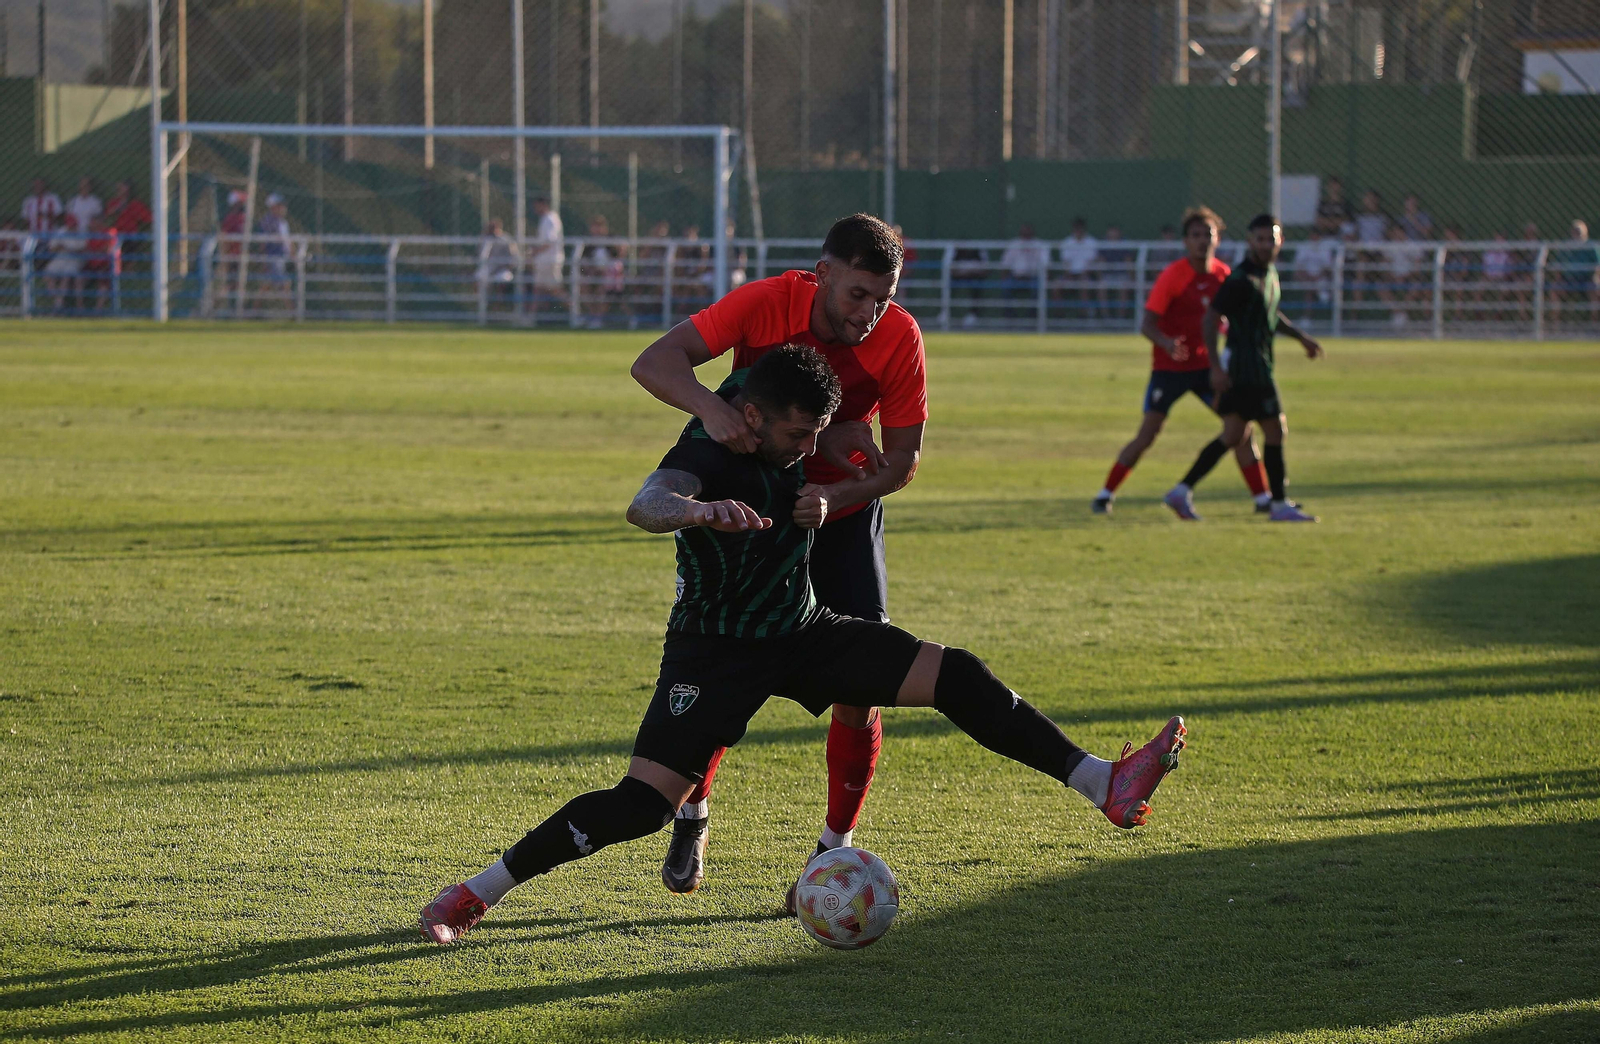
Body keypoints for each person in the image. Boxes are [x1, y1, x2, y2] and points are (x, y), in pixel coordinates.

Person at [418, 344, 1190, 945]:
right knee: (641, 807)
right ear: (752, 417)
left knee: (955, 674)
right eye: (797, 435)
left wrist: (832, 494)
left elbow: (831, 455)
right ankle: (473, 894)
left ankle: (1101, 780)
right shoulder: (711, 448)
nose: (805, 447)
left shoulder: (783, 422)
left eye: (815, 433)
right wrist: (697, 512)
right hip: (714, 652)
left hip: (802, 630)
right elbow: (646, 503)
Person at [630, 214, 925, 904]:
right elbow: (654, 362)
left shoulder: (899, 336)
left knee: (861, 685)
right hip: (753, 507)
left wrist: (836, 495)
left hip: (840, 517)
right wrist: (712, 409)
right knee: (726, 668)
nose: (869, 313)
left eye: (882, 299)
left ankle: (832, 851)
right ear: (822, 275)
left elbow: (903, 462)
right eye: (857, 295)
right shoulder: (766, 302)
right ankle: (692, 815)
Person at [1093, 207, 1271, 516]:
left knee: (1240, 427)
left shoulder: (1224, 275)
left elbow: (1233, 316)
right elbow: (1147, 324)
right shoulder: (1173, 276)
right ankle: (1104, 494)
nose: (1202, 241)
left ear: (1218, 239)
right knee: (1148, 434)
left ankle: (1263, 498)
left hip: (1207, 368)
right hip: (1169, 369)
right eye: (1195, 235)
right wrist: (1165, 342)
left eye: (1208, 235)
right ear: (1185, 241)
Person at [1165, 214, 1323, 523]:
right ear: (1250, 241)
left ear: (1280, 241)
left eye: (1271, 239)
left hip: (1256, 366)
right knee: (1274, 430)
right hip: (1249, 370)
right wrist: (1215, 367)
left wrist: (1301, 337)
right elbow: (1210, 319)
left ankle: (1181, 491)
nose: (1265, 245)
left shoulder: (1269, 273)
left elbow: (1271, 315)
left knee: (1233, 434)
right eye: (1260, 239)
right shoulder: (1240, 279)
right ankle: (1279, 504)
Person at [1549, 219, 1598, 330]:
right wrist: (1558, 279)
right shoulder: (1566, 246)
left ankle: (1594, 324)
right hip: (1568, 280)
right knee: (1554, 289)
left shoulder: (1591, 246)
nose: (1577, 234)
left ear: (1585, 232)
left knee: (1595, 288)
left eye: (1579, 231)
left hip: (1587, 280)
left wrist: (1594, 277)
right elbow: (1558, 266)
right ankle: (1555, 325)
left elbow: (1597, 266)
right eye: (1575, 231)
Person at [999, 224, 1048, 321]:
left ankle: (1031, 318)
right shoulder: (1014, 245)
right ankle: (1011, 317)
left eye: (1028, 234)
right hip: (1016, 277)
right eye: (1024, 234)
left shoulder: (1040, 245)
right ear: (1020, 234)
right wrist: (1004, 277)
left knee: (1037, 289)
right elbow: (1005, 264)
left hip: (1033, 277)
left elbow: (1046, 264)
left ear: (1032, 234)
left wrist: (1045, 278)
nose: (1026, 236)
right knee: (1005, 286)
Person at [254, 193, 293, 312]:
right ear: (273, 207)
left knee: (266, 285)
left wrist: (293, 254)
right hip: (273, 257)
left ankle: (252, 311)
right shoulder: (268, 221)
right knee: (285, 284)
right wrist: (264, 260)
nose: (283, 208)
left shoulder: (283, 222)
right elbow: (263, 244)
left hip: (282, 257)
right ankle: (293, 312)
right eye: (280, 205)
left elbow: (287, 242)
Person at [529, 196, 564, 321]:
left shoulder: (550, 219)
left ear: (543, 205)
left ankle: (575, 314)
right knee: (538, 289)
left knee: (556, 290)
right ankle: (532, 318)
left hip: (550, 261)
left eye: (537, 206)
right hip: (544, 261)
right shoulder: (545, 219)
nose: (535, 209)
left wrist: (535, 252)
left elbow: (549, 241)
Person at [1057, 217, 1098, 321]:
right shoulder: (1067, 242)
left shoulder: (1092, 242)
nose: (1078, 230)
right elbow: (1065, 262)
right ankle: (1060, 315)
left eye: (1080, 228)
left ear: (1084, 228)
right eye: (1076, 228)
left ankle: (1083, 315)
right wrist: (1069, 275)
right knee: (1055, 286)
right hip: (1069, 275)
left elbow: (1091, 262)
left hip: (1086, 275)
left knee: (1084, 285)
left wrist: (1083, 275)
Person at [477, 218, 520, 310]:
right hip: (489, 268)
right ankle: (482, 306)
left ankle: (498, 305)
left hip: (503, 268)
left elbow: (514, 257)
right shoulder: (486, 239)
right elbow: (482, 256)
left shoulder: (507, 240)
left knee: (502, 280)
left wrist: (506, 266)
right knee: (479, 277)